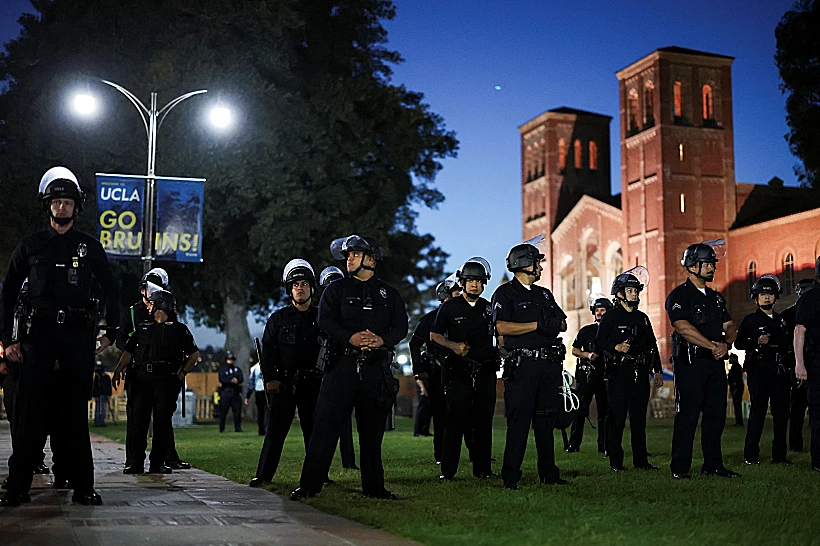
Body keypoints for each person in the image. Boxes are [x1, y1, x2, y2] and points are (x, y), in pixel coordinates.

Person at [0, 166, 119, 507]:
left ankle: (83, 487)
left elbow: (112, 289)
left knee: (74, 415)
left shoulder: (89, 247)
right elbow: (8, 293)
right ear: (48, 205)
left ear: (76, 207)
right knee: (29, 414)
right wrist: (8, 340)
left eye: (67, 202)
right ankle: (18, 487)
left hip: (76, 338)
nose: (62, 207)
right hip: (37, 338)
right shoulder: (30, 246)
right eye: (56, 202)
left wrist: (111, 332)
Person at [291, 235, 408, 500]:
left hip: (374, 368)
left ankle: (374, 488)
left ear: (371, 259)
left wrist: (382, 340)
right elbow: (325, 322)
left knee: (372, 432)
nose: (349, 259)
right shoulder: (336, 290)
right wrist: (350, 338)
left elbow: (401, 326)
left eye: (354, 254)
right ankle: (309, 486)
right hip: (340, 367)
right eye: (348, 255)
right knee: (324, 428)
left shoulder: (389, 294)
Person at [492, 242, 568, 489]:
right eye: (537, 263)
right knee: (519, 423)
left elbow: (562, 323)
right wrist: (537, 325)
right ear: (524, 264)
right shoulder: (505, 293)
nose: (540, 267)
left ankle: (549, 474)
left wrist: (552, 325)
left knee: (546, 421)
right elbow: (502, 327)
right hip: (522, 366)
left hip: (548, 365)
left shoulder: (544, 294)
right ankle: (511, 476)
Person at [665, 240, 738, 480]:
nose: (712, 268)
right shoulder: (679, 295)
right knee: (687, 416)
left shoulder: (716, 298)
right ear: (692, 266)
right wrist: (713, 346)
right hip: (691, 363)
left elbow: (730, 326)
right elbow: (682, 326)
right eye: (707, 264)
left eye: (712, 264)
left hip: (715, 364)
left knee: (716, 416)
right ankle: (680, 468)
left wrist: (726, 344)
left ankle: (713, 465)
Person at [249, 259, 323, 487]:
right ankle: (263, 475)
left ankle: (316, 478)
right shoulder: (278, 319)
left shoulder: (323, 318)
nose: (300, 288)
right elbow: (268, 351)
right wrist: (270, 379)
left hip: (313, 384)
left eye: (304, 284)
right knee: (275, 432)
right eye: (295, 284)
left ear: (312, 288)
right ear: (289, 289)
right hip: (284, 384)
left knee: (314, 434)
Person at [112, 288, 199, 474]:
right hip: (141, 380)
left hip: (166, 380)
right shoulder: (143, 328)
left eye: (152, 303)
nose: (148, 307)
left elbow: (194, 355)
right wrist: (118, 370)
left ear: (161, 305)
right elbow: (129, 351)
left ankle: (157, 463)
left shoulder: (179, 330)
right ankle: (135, 462)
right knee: (138, 422)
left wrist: (182, 373)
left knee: (162, 422)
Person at [431, 257, 498, 480]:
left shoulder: (488, 308)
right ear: (462, 283)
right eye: (470, 280)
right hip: (459, 372)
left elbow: (499, 334)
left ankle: (483, 470)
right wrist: (453, 346)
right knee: (455, 422)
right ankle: (448, 471)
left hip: (486, 372)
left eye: (478, 281)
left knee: (483, 422)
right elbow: (434, 335)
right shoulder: (449, 307)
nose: (474, 285)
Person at [596, 266, 663, 472]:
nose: (634, 294)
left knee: (639, 419)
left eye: (636, 291)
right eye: (630, 290)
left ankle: (641, 461)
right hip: (619, 373)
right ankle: (616, 462)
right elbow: (599, 342)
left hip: (640, 373)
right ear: (619, 294)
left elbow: (652, 344)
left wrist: (657, 369)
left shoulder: (642, 318)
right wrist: (615, 347)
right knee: (617, 419)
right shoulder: (610, 317)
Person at [735, 274, 792, 465]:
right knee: (757, 412)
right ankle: (750, 456)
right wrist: (755, 341)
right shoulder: (750, 320)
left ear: (776, 297)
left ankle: (780, 456)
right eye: (762, 294)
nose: (766, 297)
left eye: (770, 294)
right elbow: (739, 343)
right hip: (758, 370)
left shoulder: (782, 321)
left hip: (780, 371)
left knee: (781, 414)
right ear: (755, 298)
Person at [410, 277, 460, 464]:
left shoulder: (463, 317)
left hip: (460, 371)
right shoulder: (430, 319)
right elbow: (414, 343)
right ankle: (441, 455)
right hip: (437, 373)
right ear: (445, 297)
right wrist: (419, 369)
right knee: (440, 416)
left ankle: (476, 456)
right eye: (456, 295)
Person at [319, 266, 358, 470]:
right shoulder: (321, 313)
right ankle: (320, 468)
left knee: (344, 420)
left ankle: (348, 461)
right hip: (323, 368)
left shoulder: (348, 313)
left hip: (342, 366)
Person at [567, 295, 612, 454]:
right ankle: (574, 444)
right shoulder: (586, 331)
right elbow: (574, 350)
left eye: (603, 310)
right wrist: (587, 355)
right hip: (586, 376)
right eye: (597, 310)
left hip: (604, 376)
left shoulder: (612, 332)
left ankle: (604, 445)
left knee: (604, 412)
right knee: (579, 410)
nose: (599, 313)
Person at [784, 278, 818, 452]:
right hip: (802, 363)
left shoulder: (790, 312)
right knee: (800, 406)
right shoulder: (791, 313)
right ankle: (796, 443)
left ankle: (796, 443)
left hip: (802, 363)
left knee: (800, 406)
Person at [794, 257, 820, 473]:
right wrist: (800, 364)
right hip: (817, 362)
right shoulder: (810, 298)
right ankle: (819, 461)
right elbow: (799, 331)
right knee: (818, 413)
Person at [218, 351, 244, 433]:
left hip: (235, 392)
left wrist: (237, 380)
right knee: (223, 411)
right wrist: (231, 380)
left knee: (237, 411)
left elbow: (241, 378)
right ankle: (221, 428)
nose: (230, 361)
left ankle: (238, 428)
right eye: (229, 359)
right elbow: (221, 379)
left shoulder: (237, 369)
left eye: (232, 359)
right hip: (226, 392)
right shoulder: (223, 369)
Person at [245, 361, 267, 436]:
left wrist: (248, 395)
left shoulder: (255, 368)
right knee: (267, 412)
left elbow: (251, 383)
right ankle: (265, 429)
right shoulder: (268, 366)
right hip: (266, 391)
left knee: (261, 412)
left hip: (259, 391)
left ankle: (261, 430)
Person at [727, 355, 745, 427]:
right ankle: (738, 421)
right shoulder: (736, 367)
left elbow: (736, 379)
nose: (729, 360)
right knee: (737, 404)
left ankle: (739, 421)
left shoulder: (736, 368)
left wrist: (735, 387)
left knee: (737, 404)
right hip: (737, 387)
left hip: (736, 388)